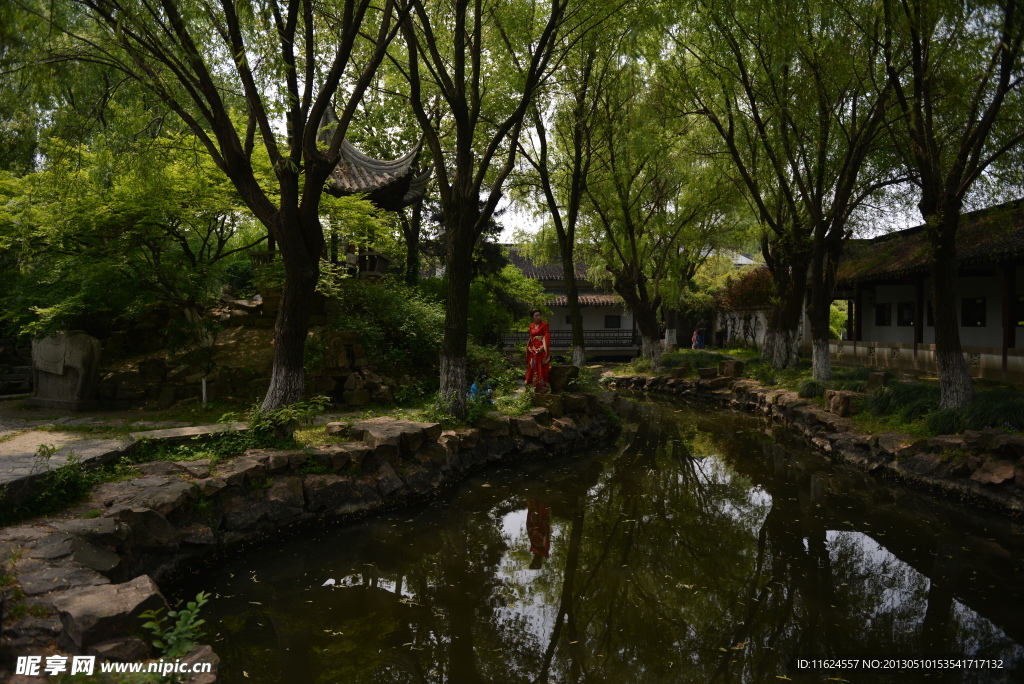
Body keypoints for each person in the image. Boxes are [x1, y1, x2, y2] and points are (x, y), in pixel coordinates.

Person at [525, 308, 550, 393]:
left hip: (541, 348)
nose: (538, 317)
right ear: (533, 317)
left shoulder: (545, 325)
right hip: (533, 348)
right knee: (532, 365)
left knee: (541, 365)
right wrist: (529, 347)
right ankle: (533, 385)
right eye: (536, 315)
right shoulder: (531, 326)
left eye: (539, 315)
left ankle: (543, 387)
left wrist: (543, 347)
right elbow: (531, 338)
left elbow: (546, 336)